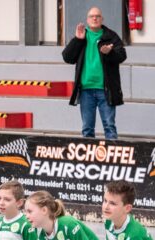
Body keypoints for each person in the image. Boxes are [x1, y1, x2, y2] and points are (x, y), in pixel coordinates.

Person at [62, 6, 126, 140]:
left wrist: (110, 53)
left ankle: (111, 153)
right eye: (92, 16)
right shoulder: (82, 35)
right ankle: (88, 154)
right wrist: (77, 40)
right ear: (87, 20)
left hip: (105, 90)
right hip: (86, 90)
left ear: (102, 19)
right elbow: (67, 57)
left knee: (109, 127)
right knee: (87, 129)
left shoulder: (111, 36)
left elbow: (122, 56)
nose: (95, 18)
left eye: (97, 16)